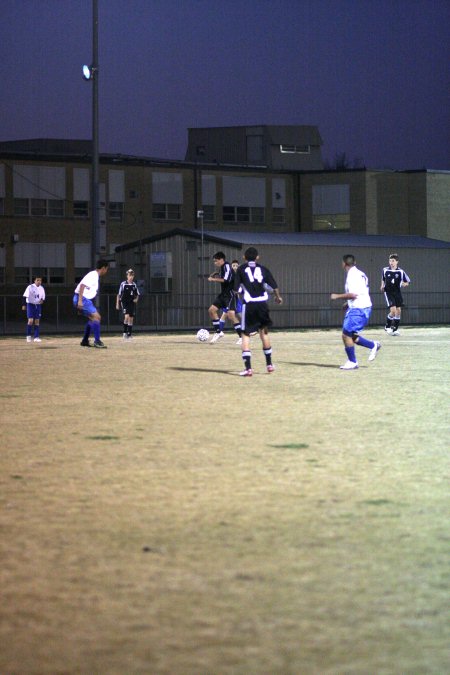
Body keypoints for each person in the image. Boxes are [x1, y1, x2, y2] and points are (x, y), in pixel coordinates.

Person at [234, 247, 283, 377]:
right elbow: (274, 285)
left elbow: (236, 289)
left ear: (244, 257)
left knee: (245, 335)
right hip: (262, 304)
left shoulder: (241, 269)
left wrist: (240, 294)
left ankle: (248, 369)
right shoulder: (263, 269)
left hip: (249, 305)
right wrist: (278, 297)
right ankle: (269, 365)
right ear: (257, 257)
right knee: (264, 334)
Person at [330, 254, 381, 370]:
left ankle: (352, 362)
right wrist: (347, 304)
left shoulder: (352, 275)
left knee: (345, 334)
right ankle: (373, 345)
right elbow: (361, 292)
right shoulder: (360, 273)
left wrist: (336, 296)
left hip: (359, 309)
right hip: (363, 307)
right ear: (355, 262)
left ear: (344, 264)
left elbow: (353, 294)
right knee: (351, 335)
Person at [73, 259, 110, 348]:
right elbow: (82, 285)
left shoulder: (94, 275)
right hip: (82, 299)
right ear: (103, 268)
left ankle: (85, 341)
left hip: (84, 299)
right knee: (97, 317)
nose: (106, 271)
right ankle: (97, 341)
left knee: (93, 319)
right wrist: (80, 301)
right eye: (107, 269)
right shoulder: (93, 275)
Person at [207, 251, 235, 344]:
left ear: (221, 260)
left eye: (216, 261)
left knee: (232, 316)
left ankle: (242, 335)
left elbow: (226, 280)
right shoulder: (222, 268)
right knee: (211, 310)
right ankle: (219, 332)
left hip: (229, 295)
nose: (215, 263)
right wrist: (215, 273)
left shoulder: (226, 266)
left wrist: (213, 279)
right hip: (223, 294)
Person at [380, 253, 411, 335]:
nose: (391, 262)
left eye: (393, 261)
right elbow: (383, 278)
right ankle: (387, 326)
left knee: (398, 311)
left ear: (397, 262)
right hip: (388, 292)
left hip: (397, 292)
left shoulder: (401, 272)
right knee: (393, 311)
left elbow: (407, 281)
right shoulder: (385, 270)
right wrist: (382, 285)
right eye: (390, 261)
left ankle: (395, 329)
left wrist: (405, 284)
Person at [219, 259, 243, 344]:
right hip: (229, 299)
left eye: (236, 265)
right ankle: (220, 332)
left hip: (235, 299)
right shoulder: (230, 274)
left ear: (238, 266)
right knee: (225, 315)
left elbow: (240, 288)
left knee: (241, 316)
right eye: (233, 265)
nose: (235, 267)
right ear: (231, 266)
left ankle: (246, 333)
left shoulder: (239, 275)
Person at [116, 269, 140, 339]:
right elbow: (119, 294)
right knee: (126, 316)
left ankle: (129, 334)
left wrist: (136, 299)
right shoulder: (123, 284)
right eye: (130, 275)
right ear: (127, 276)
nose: (131, 277)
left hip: (131, 302)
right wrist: (117, 303)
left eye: (132, 275)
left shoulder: (134, 284)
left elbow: (137, 294)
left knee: (131, 318)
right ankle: (124, 333)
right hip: (124, 302)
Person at [22, 276, 45, 342]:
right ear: (34, 281)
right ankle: (28, 336)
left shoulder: (41, 288)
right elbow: (24, 296)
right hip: (30, 304)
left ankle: (36, 337)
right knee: (30, 320)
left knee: (37, 321)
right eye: (37, 280)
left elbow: (42, 297)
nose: (39, 282)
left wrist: (42, 300)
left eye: (40, 280)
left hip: (38, 305)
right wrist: (23, 305)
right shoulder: (30, 287)